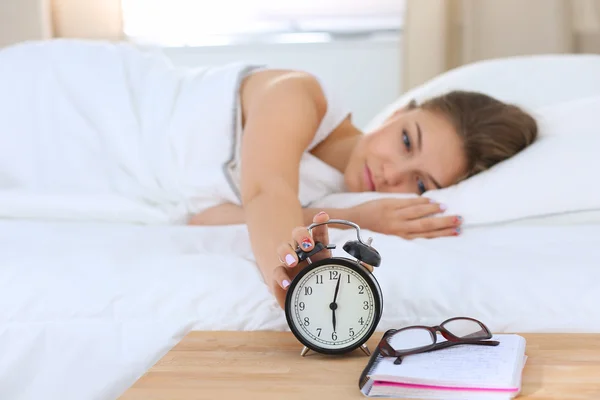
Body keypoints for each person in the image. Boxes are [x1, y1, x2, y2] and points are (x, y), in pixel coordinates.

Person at [187, 69, 538, 309]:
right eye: (405, 141)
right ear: (397, 111)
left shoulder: (330, 190)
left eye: (418, 183)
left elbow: (205, 219)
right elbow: (266, 191)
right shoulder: (300, 96)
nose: (390, 175)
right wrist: (296, 280)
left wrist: (353, 217)